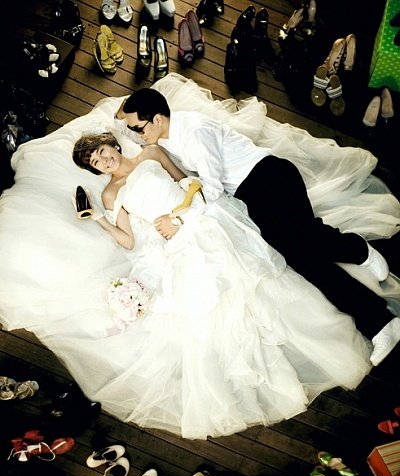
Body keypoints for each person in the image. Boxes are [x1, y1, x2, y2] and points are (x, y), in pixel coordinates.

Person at [71, 131, 372, 439]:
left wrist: (179, 217)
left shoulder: (151, 154)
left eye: (102, 152)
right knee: (213, 304)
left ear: (112, 145)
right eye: (95, 163)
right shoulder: (111, 194)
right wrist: (98, 218)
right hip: (178, 243)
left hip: (201, 220)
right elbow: (128, 240)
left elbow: (191, 184)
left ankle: (320, 329)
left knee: (254, 278)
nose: (103, 161)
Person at [114, 87, 400, 367]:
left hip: (268, 179)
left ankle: (368, 284)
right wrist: (123, 115)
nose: (137, 135)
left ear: (158, 119)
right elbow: (126, 127)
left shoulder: (194, 133)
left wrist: (180, 218)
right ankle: (373, 300)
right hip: (252, 195)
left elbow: (212, 188)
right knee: (304, 255)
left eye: (138, 128)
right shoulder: (162, 134)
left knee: (306, 247)